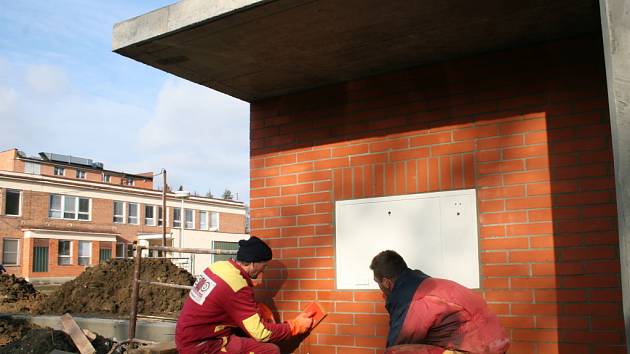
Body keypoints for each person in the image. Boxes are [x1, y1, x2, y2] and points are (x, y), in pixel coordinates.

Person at [176, 236, 314, 354]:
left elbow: (223, 298)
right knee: (270, 350)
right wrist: (294, 326)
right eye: (264, 266)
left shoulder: (219, 267)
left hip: (190, 336)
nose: (263, 272)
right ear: (253, 263)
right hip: (203, 346)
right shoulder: (237, 287)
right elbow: (262, 333)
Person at [370, 250, 510, 354]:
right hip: (494, 343)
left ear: (387, 282)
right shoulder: (423, 282)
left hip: (480, 350)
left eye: (378, 283)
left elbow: (399, 342)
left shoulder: (411, 298)